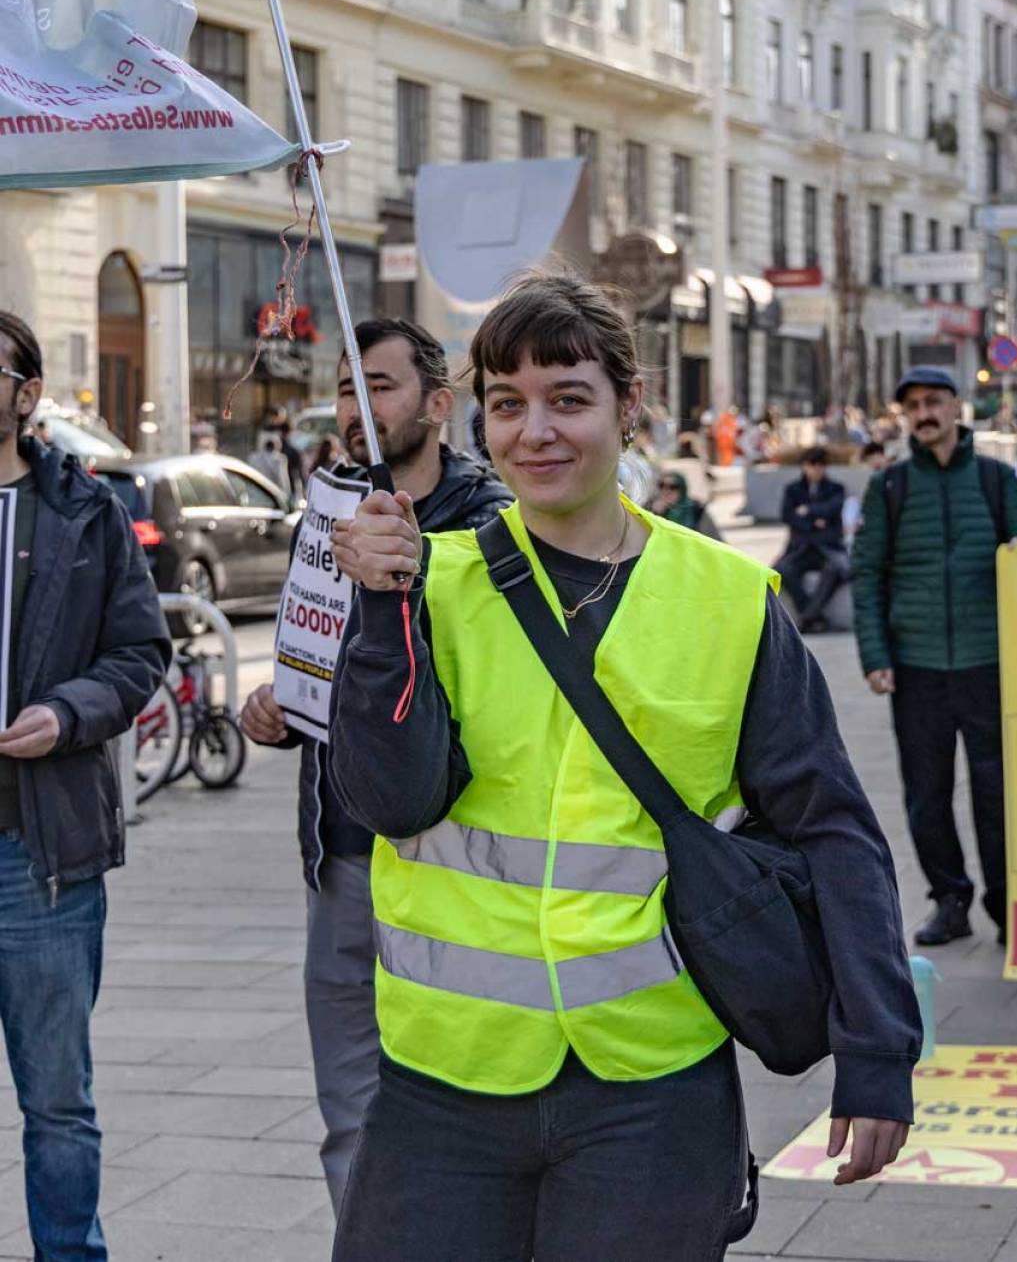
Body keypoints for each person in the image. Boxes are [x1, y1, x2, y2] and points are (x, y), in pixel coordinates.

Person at [325, 271, 920, 1261]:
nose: (535, 433)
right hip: (444, 1082)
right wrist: (381, 616)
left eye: (568, 399)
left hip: (653, 1085)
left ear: (629, 406)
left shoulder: (729, 600)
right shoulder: (427, 578)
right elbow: (391, 798)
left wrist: (877, 1045)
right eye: (506, 405)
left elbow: (832, 828)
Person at [238, 318, 511, 1214]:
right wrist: (280, 708)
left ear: (439, 404)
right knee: (349, 1108)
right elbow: (315, 663)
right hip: (341, 855)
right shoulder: (323, 517)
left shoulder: (491, 525)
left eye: (380, 386)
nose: (359, 409)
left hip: (457, 861)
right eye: (349, 389)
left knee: (468, 1107)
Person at [0, 312, 170, 1261]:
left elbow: (140, 652)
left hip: (41, 858)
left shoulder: (84, 513)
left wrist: (67, 714)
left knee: (57, 1103)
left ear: (28, 394)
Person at [851, 366, 1017, 946]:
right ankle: (949, 899)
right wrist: (875, 654)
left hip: (990, 662)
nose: (923, 414)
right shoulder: (889, 487)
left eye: (933, 402)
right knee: (926, 792)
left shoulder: (998, 480)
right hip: (917, 666)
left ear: (957, 407)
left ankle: (1009, 903)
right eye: (913, 407)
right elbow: (867, 574)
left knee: (996, 790)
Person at [774, 446, 851, 635]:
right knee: (784, 570)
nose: (816, 470)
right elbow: (787, 516)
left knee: (836, 569)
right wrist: (815, 522)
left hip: (828, 547)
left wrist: (807, 511)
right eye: (812, 465)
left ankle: (806, 618)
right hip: (800, 548)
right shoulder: (792, 490)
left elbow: (833, 509)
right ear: (804, 466)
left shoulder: (836, 488)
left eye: (820, 466)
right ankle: (814, 617)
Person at [651, 470, 722, 539]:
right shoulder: (651, 509)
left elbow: (714, 540)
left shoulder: (696, 509)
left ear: (682, 489)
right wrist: (656, 514)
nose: (666, 490)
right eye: (662, 485)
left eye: (673, 487)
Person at [248, 430, 292, 498]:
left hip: (256, 495)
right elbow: (283, 480)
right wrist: (286, 496)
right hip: (273, 496)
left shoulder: (253, 458)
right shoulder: (279, 459)